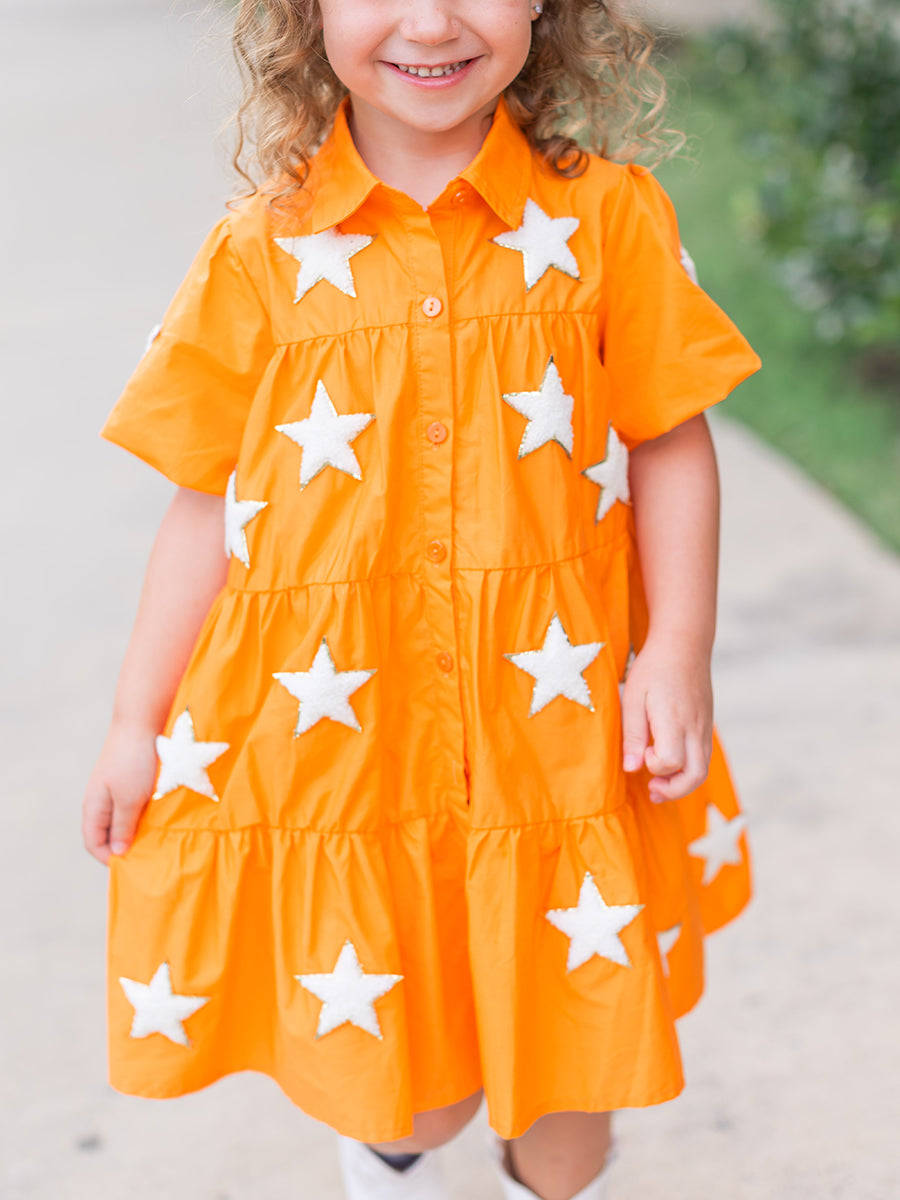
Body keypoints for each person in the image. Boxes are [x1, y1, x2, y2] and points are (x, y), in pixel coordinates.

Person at [83, 1, 761, 1197]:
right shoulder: (261, 247)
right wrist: (138, 722)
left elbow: (669, 439)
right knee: (416, 1086)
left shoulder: (605, 217)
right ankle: (388, 1154)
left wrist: (680, 653)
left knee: (574, 1103)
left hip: (553, 736)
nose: (434, 20)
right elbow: (204, 501)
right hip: (353, 737)